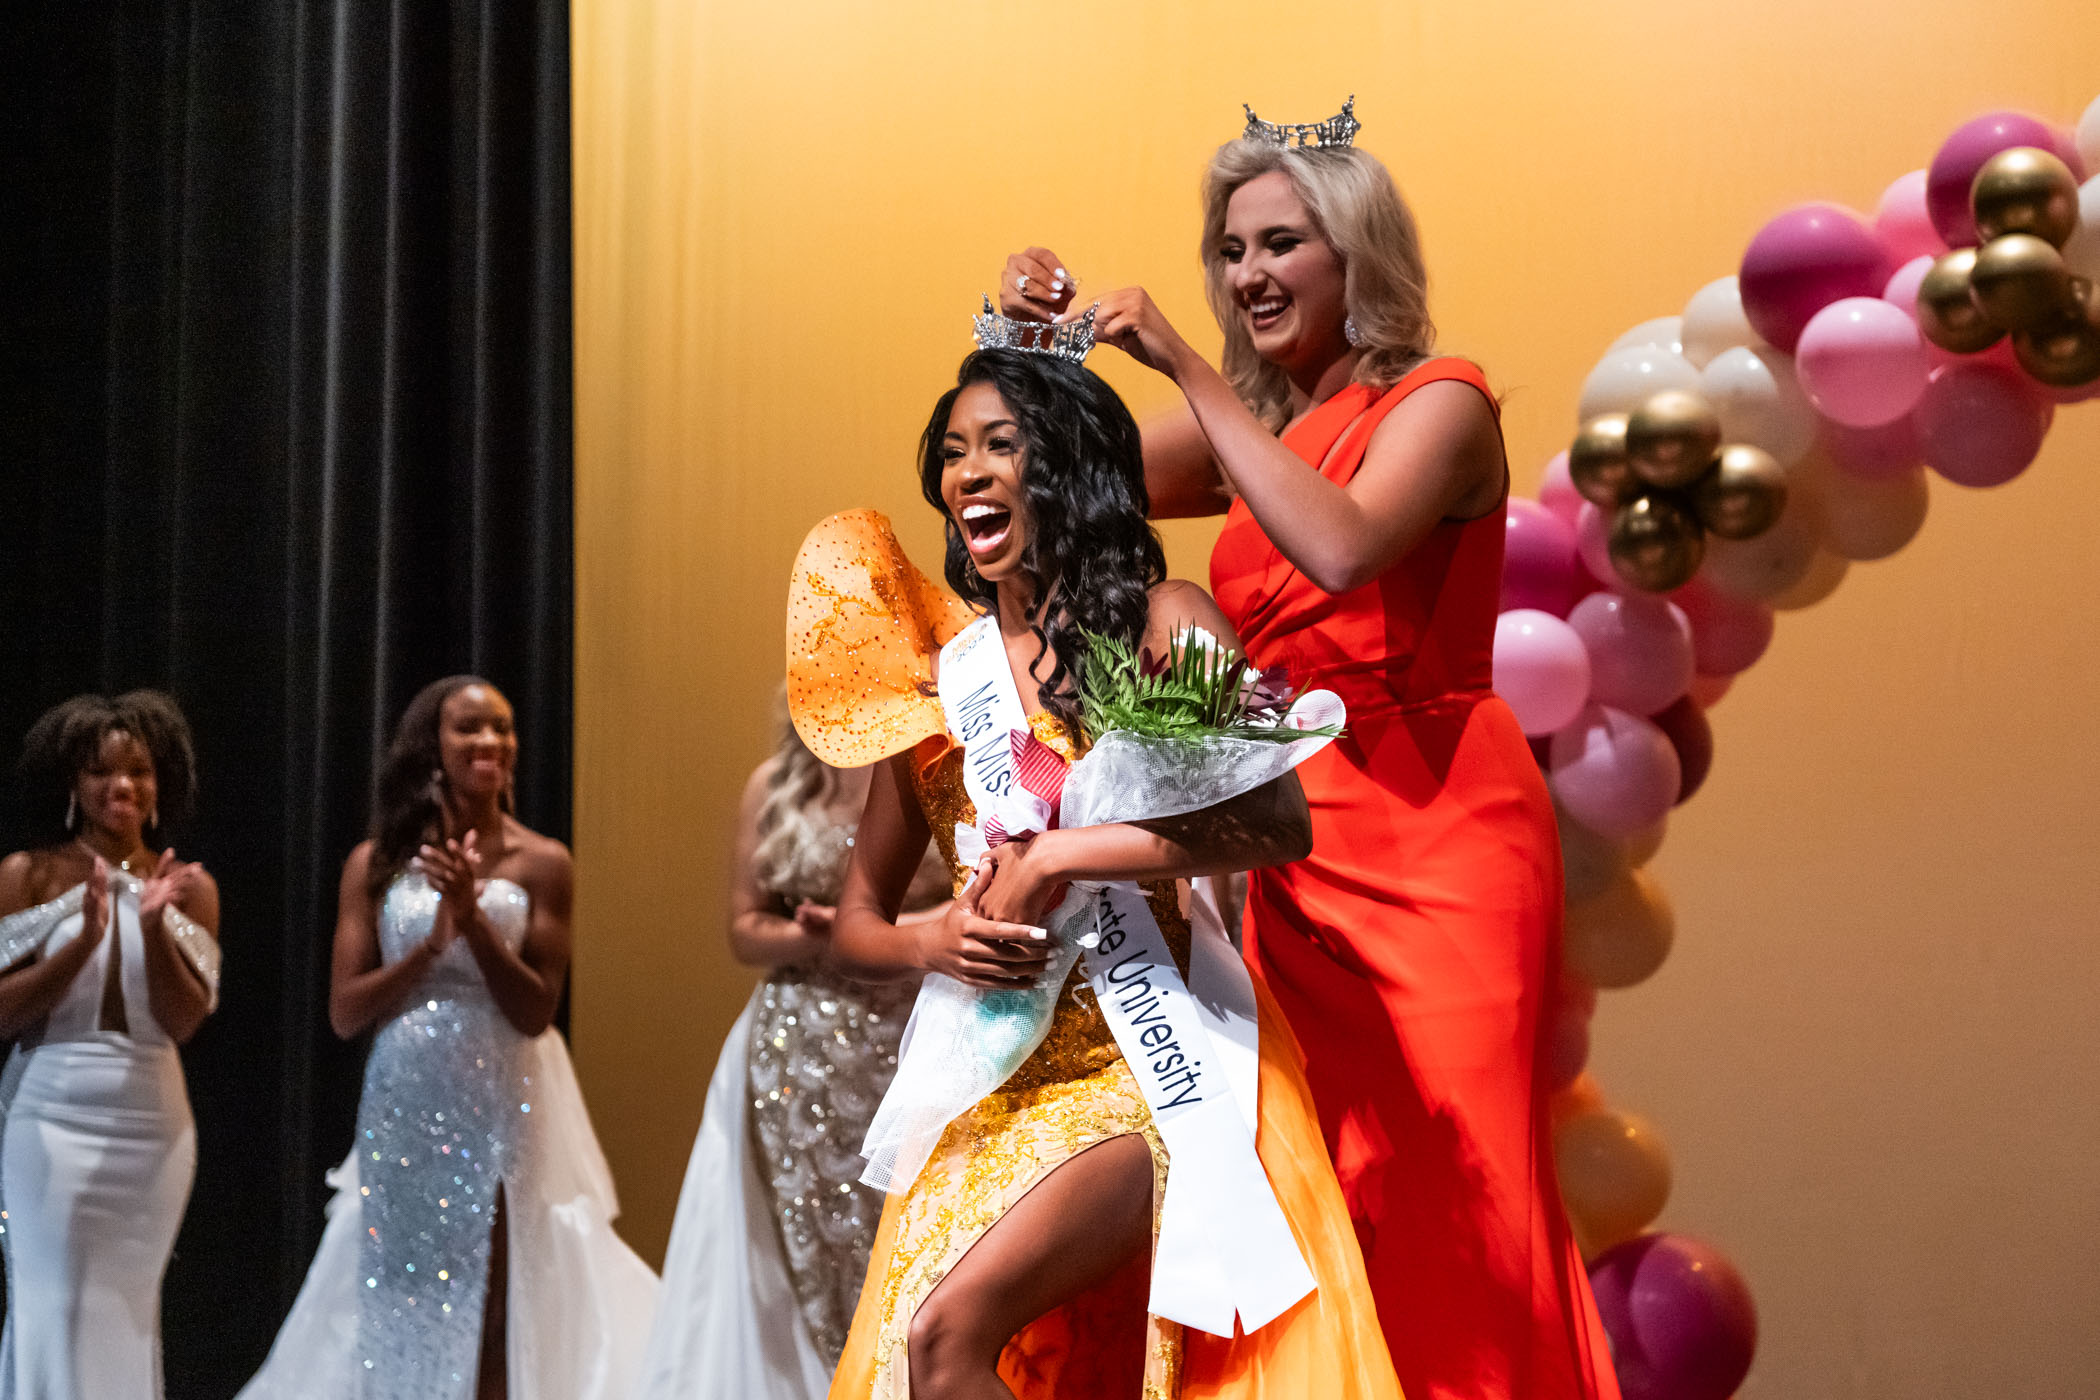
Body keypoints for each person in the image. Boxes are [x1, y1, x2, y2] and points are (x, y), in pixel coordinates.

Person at [997, 102, 1620, 1399]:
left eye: (1283, 244)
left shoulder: (1443, 404)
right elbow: (1050, 487)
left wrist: (1183, 360)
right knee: (1323, 1180)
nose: (1249, 275)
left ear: (1357, 257)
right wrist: (1027, 340)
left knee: (1459, 1192)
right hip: (1292, 840)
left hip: (1439, 835)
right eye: (1231, 252)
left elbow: (1339, 548)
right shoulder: (1259, 433)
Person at [802, 342, 1402, 1400]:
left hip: (1146, 1064)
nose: (967, 474)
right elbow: (856, 919)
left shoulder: (1168, 619)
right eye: (953, 454)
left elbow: (1274, 815)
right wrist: (927, 937)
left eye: (1000, 445)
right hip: (993, 1085)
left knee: (944, 1336)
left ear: (1069, 469)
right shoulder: (942, 685)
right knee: (913, 1365)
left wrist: (1063, 852)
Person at [238, 676, 655, 1400]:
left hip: (505, 1096)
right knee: (404, 1293)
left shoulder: (543, 862)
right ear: (433, 745)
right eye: (469, 728)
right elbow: (344, 1011)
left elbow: (535, 1010)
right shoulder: (376, 864)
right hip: (406, 1096)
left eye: (502, 727)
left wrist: (474, 922)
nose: (490, 742)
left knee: (497, 1291)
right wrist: (430, 947)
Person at [634, 715, 949, 1400]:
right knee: (802, 1234)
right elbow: (745, 931)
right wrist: (821, 939)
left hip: (915, 1027)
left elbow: (971, 902)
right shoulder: (776, 784)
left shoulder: (933, 761)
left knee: (907, 1225)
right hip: (799, 1044)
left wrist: (866, 932)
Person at [0, 690, 221, 1398]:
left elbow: (184, 1021)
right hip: (51, 1115)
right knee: (54, 1301)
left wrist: (153, 927)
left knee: (127, 1314)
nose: (122, 786)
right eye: (102, 771)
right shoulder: (28, 874)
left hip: (152, 1124)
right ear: (74, 783)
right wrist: (82, 944)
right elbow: (3, 1015)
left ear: (158, 787)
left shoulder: (189, 887)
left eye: (139, 772)